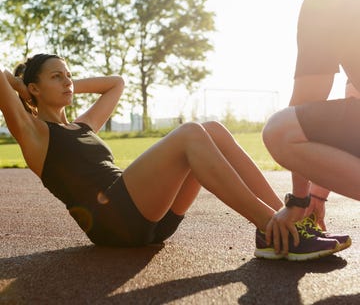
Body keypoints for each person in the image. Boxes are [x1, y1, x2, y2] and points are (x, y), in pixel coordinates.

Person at [0, 54, 343, 260]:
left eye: (69, 75)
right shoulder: (35, 134)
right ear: (32, 88)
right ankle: (271, 228)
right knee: (191, 133)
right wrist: (18, 85)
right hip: (116, 221)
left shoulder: (84, 125)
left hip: (151, 220)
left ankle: (290, 223)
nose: (68, 82)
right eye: (56, 77)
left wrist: (65, 82)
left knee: (213, 129)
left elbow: (116, 83)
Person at [262, 0, 360, 255]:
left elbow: (303, 105)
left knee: (278, 131)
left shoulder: (324, 0)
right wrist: (318, 196)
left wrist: (300, 201)